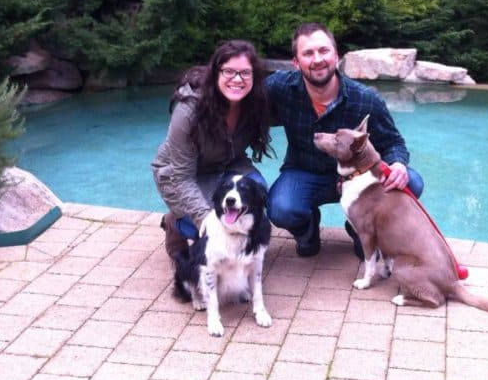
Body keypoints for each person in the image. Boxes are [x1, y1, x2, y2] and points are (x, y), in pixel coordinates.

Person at [266, 22, 424, 258]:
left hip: (358, 179)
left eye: (324, 50)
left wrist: (398, 163)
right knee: (281, 208)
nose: (317, 59)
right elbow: (239, 94)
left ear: (336, 56)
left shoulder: (366, 99)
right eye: (308, 53)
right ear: (296, 63)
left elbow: (393, 142)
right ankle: (308, 231)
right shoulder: (280, 87)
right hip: (305, 172)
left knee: (411, 182)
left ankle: (358, 225)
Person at [152, 40, 272, 257]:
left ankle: (241, 252)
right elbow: (181, 177)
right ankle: (175, 224)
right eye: (229, 71)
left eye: (245, 73)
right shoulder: (189, 111)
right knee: (208, 224)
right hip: (180, 175)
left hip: (227, 165)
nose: (237, 79)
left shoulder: (255, 101)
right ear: (215, 73)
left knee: (258, 192)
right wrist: (202, 216)